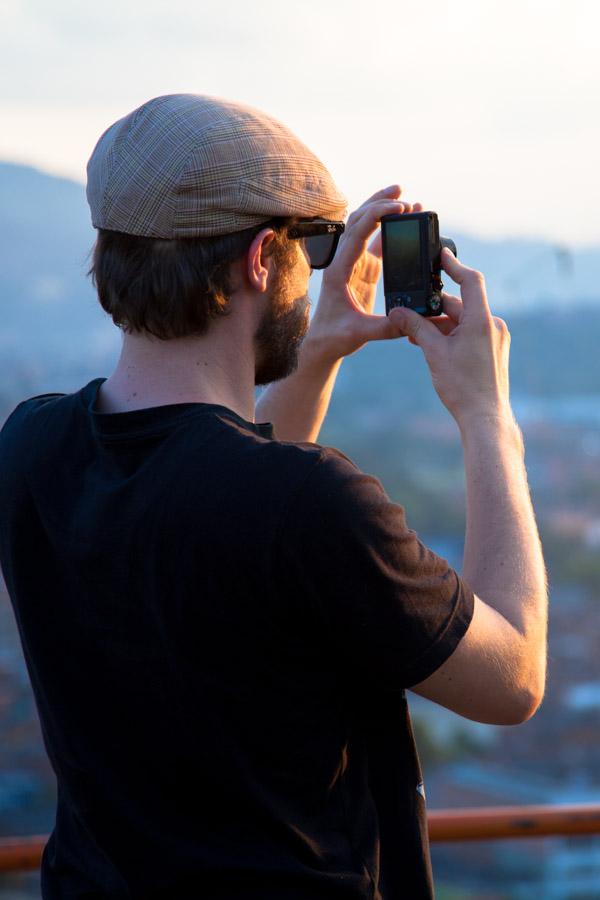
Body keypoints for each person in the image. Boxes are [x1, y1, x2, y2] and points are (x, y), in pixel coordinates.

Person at [0, 94, 547, 900]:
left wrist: (316, 348)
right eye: (316, 248)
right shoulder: (310, 503)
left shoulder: (29, 448)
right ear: (262, 259)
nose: (321, 270)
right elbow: (515, 679)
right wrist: (488, 417)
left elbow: (222, 496)